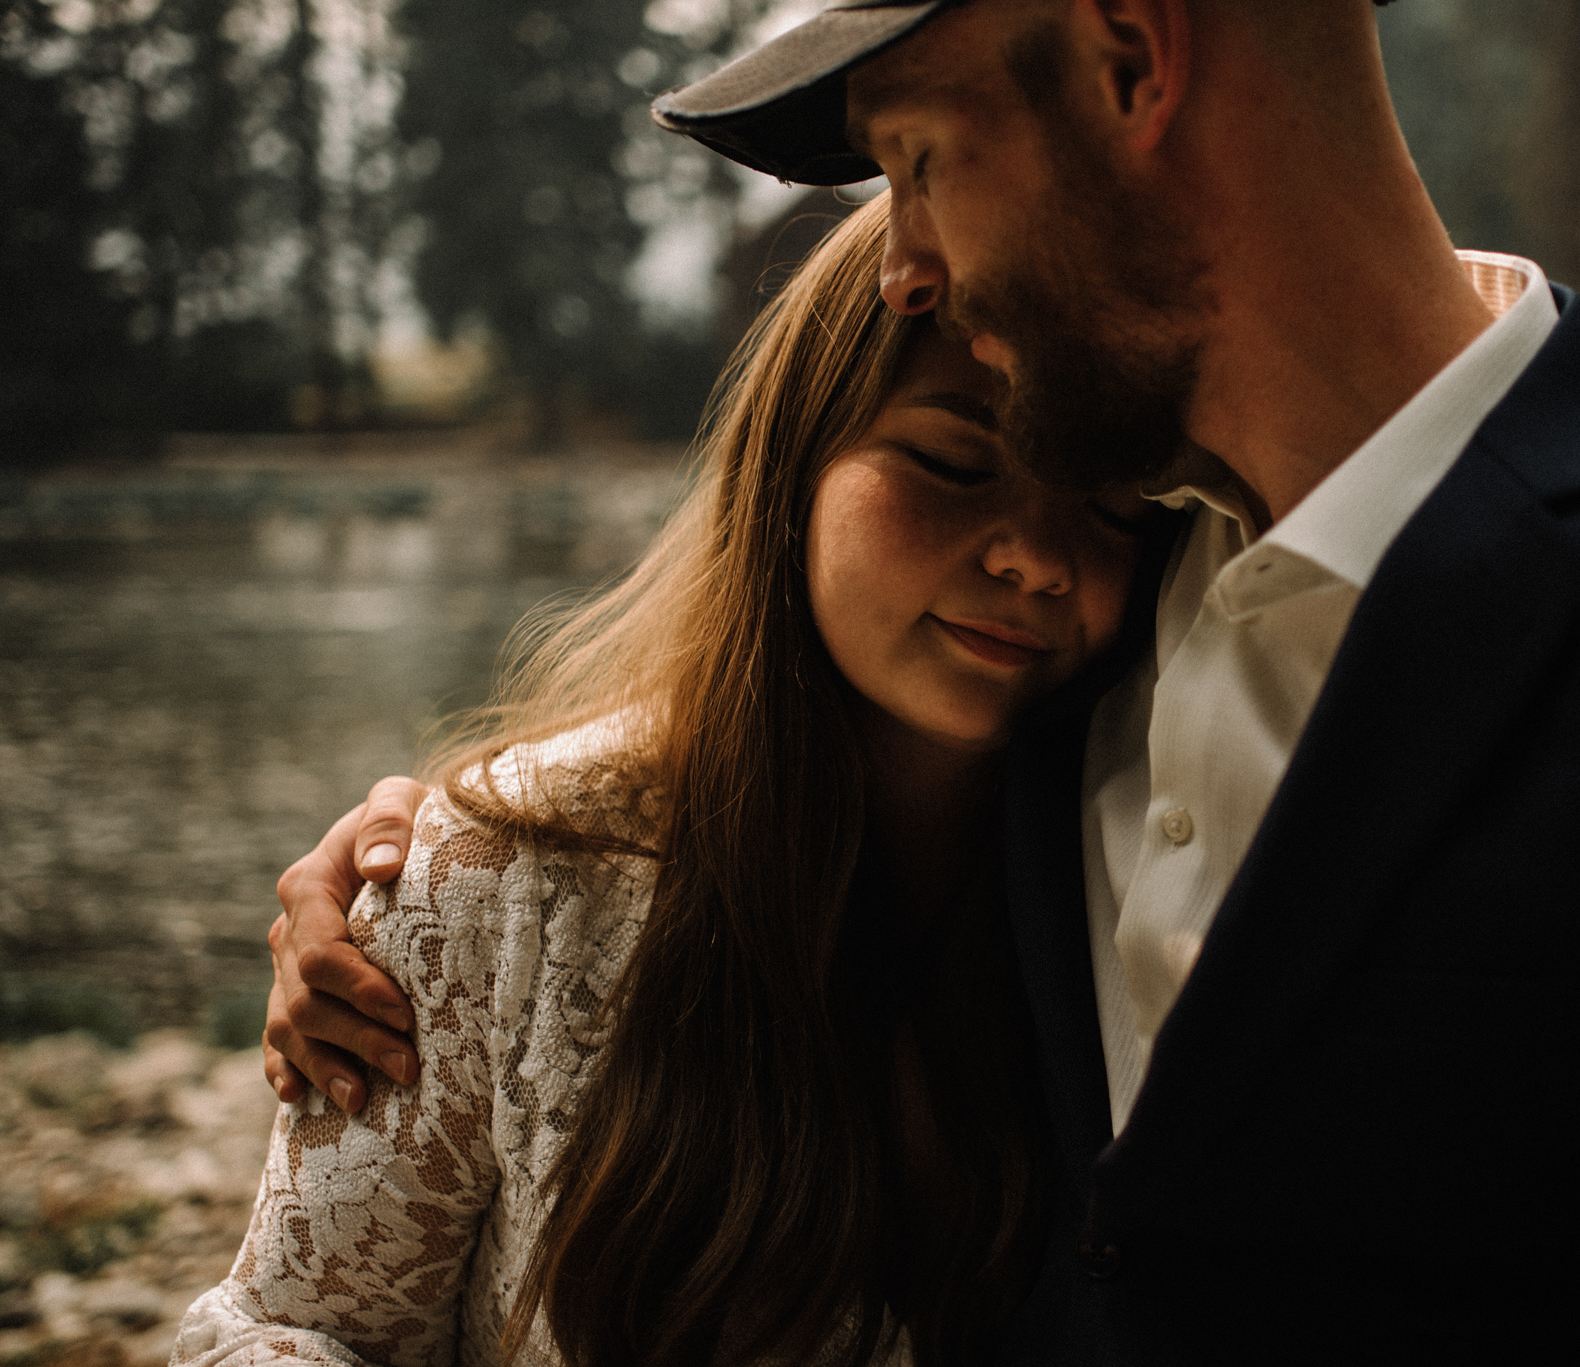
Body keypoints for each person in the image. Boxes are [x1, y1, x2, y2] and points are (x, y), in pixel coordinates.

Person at [266, 1, 1580, 1360]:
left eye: (917, 159)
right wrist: (449, 863)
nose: (900, 264)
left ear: (1129, 57)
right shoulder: (1064, 624)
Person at [174, 193, 1163, 1367]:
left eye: (1111, 503)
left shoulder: (1153, 869)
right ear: (791, 461)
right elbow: (289, 1330)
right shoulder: (501, 873)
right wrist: (424, 883)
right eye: (954, 461)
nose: (1038, 555)